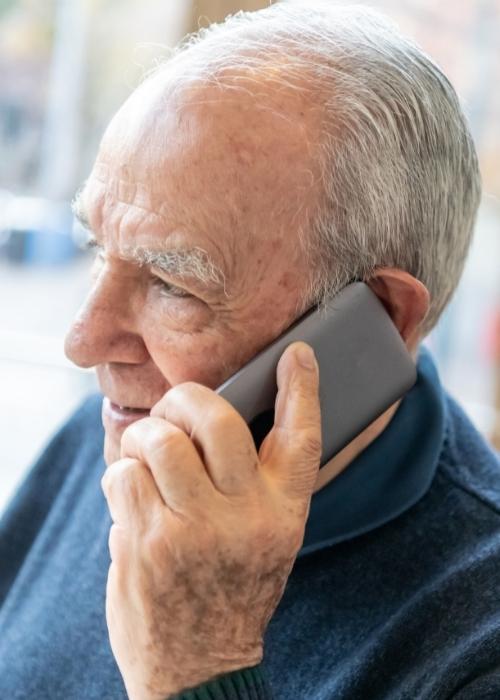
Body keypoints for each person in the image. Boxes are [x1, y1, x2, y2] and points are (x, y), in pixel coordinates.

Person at [1, 4, 499, 699]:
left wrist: (203, 667)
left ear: (378, 319)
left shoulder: (476, 649)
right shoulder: (124, 432)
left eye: (173, 283)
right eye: (97, 250)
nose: (84, 342)